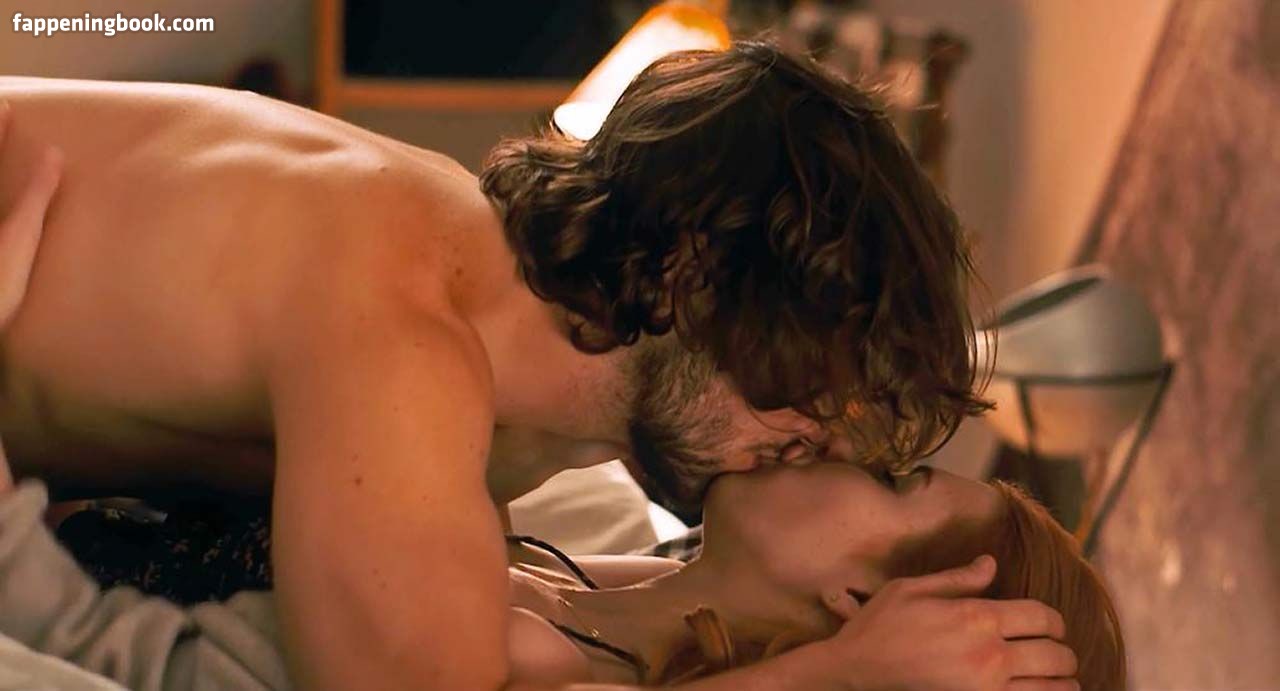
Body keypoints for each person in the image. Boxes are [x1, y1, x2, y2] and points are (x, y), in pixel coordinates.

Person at [0, 40, 1076, 689]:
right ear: (695, 272)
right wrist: (834, 673)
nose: (818, 441)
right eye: (807, 383)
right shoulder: (410, 334)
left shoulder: (512, 422)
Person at [0, 437, 1115, 689]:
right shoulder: (611, 586)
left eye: (894, 477)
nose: (837, 441)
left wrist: (844, 672)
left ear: (866, 603)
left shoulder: (552, 663)